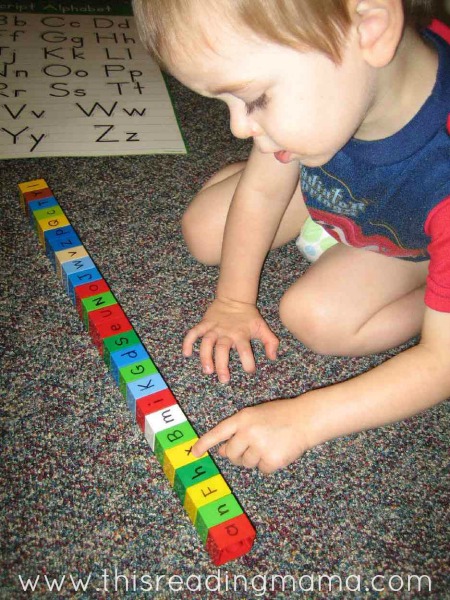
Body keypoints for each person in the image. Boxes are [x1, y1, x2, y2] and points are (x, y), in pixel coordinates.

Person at [133, 0, 450, 473]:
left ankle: (435, 284)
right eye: (227, 103)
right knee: (204, 231)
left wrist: (306, 420)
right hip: (340, 168)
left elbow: (441, 363)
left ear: (370, 29)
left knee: (316, 317)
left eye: (256, 99)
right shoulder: (337, 89)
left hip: (416, 231)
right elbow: (260, 195)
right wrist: (234, 302)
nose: (239, 127)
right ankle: (321, 193)